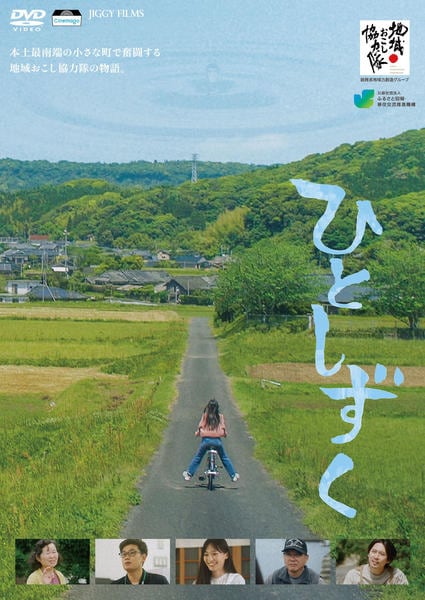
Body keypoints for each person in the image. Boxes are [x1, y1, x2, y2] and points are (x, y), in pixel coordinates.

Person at [183, 398, 239, 482]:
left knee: (198, 457)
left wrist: (197, 434)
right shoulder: (220, 416)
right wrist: (225, 434)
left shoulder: (205, 416)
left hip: (206, 441)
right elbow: (223, 428)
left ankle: (189, 474)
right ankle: (233, 475)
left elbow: (200, 427)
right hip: (217, 442)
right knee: (224, 457)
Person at [343, 539, 408, 585]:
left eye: (382, 554)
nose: (376, 557)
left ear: (388, 560)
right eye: (374, 552)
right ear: (368, 553)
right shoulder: (353, 575)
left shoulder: (397, 576)